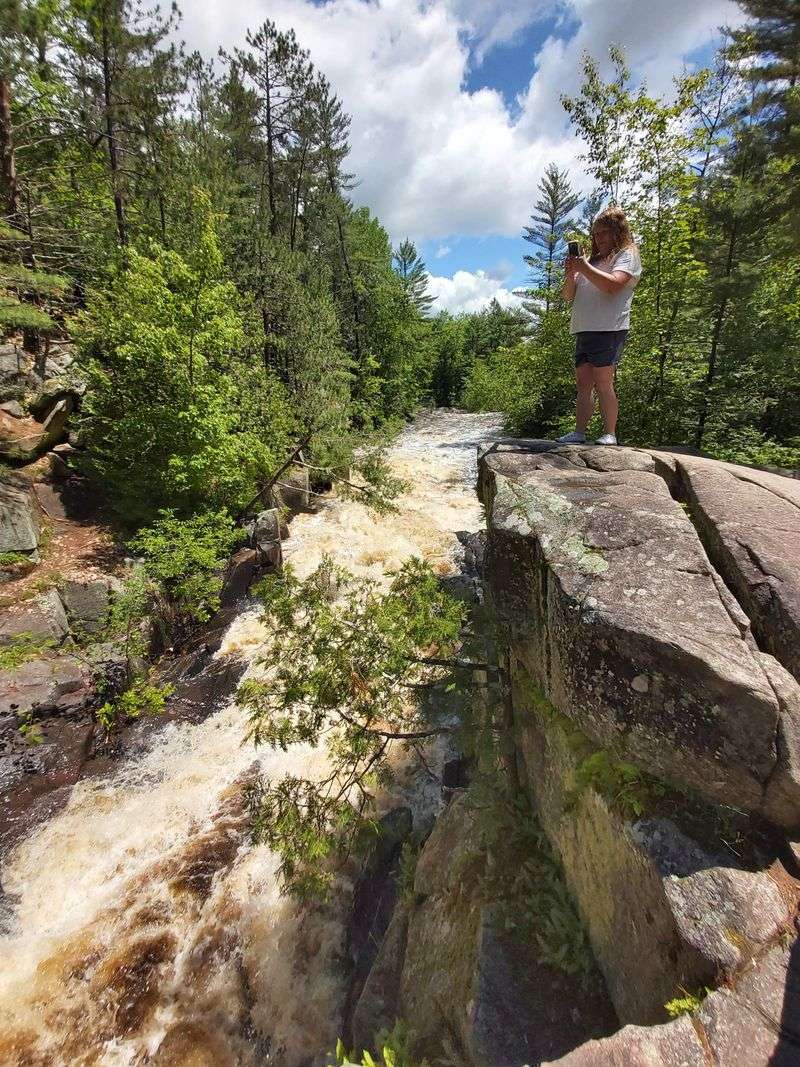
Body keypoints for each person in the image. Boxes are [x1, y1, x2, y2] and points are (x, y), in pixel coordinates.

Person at [559, 206, 642, 446]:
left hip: (609, 328)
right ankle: (579, 432)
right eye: (596, 233)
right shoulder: (593, 260)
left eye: (605, 232)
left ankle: (610, 434)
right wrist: (571, 275)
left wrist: (584, 267)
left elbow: (613, 286)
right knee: (583, 384)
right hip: (584, 328)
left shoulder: (627, 254)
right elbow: (568, 296)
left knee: (604, 382)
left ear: (618, 232)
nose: (600, 238)